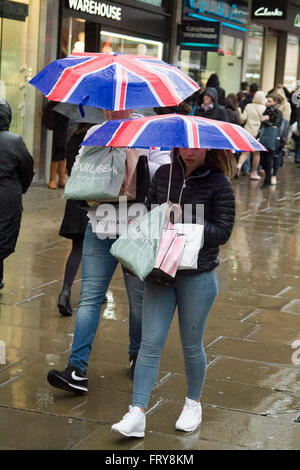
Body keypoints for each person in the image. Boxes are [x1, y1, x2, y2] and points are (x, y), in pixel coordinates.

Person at [111, 147, 236, 437]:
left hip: (197, 274)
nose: (189, 153)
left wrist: (186, 218)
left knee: (192, 345)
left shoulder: (219, 183)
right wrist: (157, 214)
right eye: (184, 147)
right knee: (149, 343)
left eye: (196, 148)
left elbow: (223, 232)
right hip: (160, 272)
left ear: (208, 148)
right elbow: (147, 214)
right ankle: (137, 412)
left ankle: (193, 403)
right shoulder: (164, 174)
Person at [47, 109, 171, 390]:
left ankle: (136, 356)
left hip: (132, 224)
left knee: (135, 300)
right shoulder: (99, 133)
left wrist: (129, 153)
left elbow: (162, 170)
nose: (109, 109)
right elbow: (81, 171)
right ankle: (78, 368)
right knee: (92, 297)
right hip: (106, 222)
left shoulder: (138, 131)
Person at [57, 123, 93, 317]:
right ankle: (95, 291)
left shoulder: (72, 139)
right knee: (96, 249)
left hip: (75, 196)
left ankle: (65, 290)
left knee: (77, 248)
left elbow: (71, 168)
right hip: (94, 198)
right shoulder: (98, 139)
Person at [0, 99, 34, 289]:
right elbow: (27, 168)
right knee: (4, 236)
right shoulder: (15, 141)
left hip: (9, 192)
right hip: (8, 197)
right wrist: (21, 188)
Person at [236, 90, 266, 180]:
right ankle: (254, 173)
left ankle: (239, 165)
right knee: (257, 153)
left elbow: (243, 119)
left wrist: (239, 111)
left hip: (247, 132)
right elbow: (262, 120)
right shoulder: (263, 108)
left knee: (245, 152)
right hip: (257, 133)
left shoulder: (248, 106)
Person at [42, 100, 70, 190]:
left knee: (63, 154)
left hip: (67, 130)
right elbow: (47, 115)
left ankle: (61, 179)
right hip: (58, 131)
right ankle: (52, 179)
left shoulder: (68, 102)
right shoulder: (54, 102)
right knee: (56, 152)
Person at [260, 94, 283, 188]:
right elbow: (262, 120)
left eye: (270, 101)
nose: (268, 103)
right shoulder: (266, 110)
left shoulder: (278, 112)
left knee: (269, 159)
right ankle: (268, 177)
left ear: (275, 102)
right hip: (265, 137)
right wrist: (264, 120)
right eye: (268, 101)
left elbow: (277, 124)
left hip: (273, 138)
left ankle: (267, 179)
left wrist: (266, 121)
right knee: (263, 160)